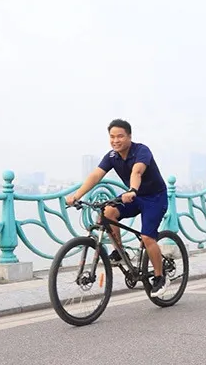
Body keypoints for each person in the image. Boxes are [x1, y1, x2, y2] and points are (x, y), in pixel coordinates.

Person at [64, 119, 169, 297]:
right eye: (112, 137)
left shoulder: (141, 151)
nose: (115, 140)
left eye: (120, 136)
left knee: (147, 237)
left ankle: (160, 277)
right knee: (108, 212)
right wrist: (77, 196)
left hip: (154, 198)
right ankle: (120, 252)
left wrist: (133, 189)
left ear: (129, 136)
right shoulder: (112, 156)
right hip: (133, 196)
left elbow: (137, 172)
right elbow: (96, 175)